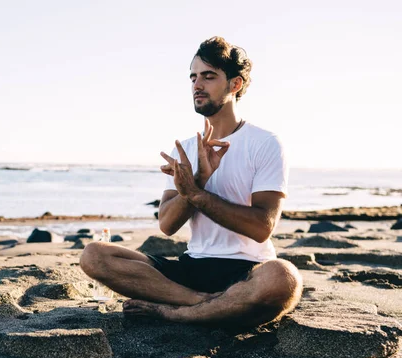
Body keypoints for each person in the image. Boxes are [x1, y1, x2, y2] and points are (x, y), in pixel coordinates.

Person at [80, 37, 302, 327]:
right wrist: (194, 183)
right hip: (192, 267)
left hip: (247, 269)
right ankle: (201, 303)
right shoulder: (184, 150)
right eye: (193, 77)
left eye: (209, 77)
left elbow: (262, 228)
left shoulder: (265, 143)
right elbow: (167, 225)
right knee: (94, 255)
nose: (197, 85)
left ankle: (173, 312)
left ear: (235, 84)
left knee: (283, 278)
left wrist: (198, 194)